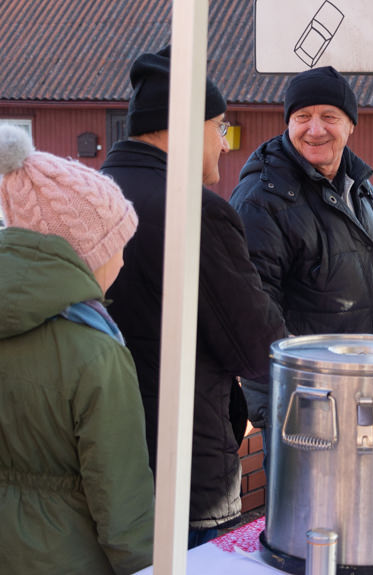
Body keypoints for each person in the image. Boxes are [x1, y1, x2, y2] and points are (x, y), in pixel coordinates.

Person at [101, 47, 286, 548]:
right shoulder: (195, 210)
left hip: (101, 460)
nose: (224, 144)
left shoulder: (92, 194)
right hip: (184, 468)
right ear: (182, 126)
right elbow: (255, 346)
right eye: (219, 126)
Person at [0, 124, 153, 574]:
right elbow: (121, 496)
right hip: (68, 553)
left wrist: (10, 460)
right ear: (87, 254)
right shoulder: (96, 352)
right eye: (116, 244)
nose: (122, 257)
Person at [229, 66, 373, 443]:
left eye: (329, 117)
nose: (315, 129)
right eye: (302, 117)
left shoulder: (356, 185)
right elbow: (252, 313)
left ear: (351, 124)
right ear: (288, 123)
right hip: (304, 409)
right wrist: (314, 385)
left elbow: (353, 271)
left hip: (361, 391)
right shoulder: (262, 199)